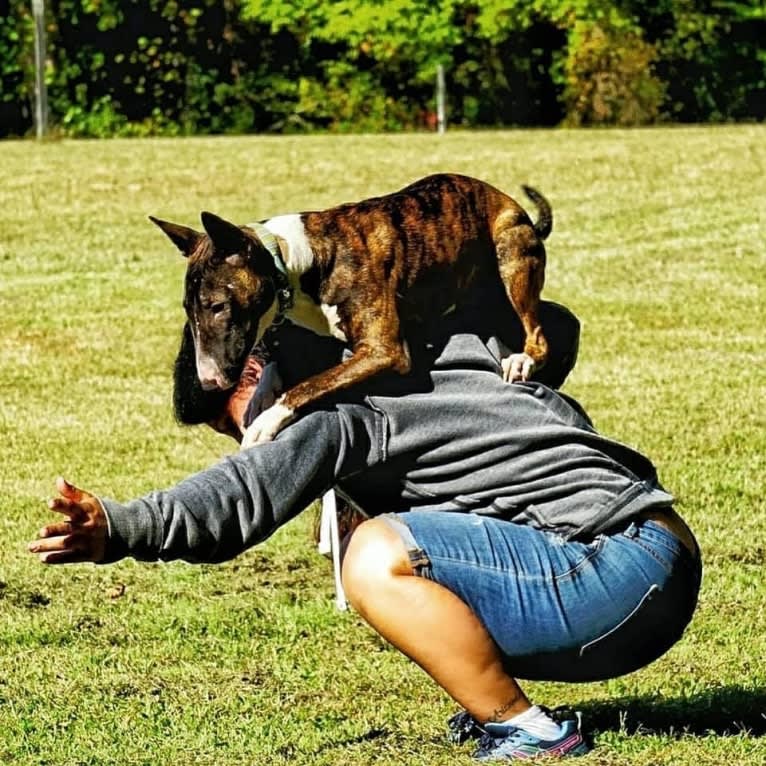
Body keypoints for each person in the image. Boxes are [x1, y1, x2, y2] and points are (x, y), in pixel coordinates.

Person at [28, 301, 701, 761]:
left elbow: (245, 497)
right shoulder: (424, 347)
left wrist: (121, 527)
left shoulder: (338, 408)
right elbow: (555, 324)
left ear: (258, 372)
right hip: (658, 553)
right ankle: (503, 708)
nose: (251, 444)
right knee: (404, 538)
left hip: (614, 571)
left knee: (378, 557)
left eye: (241, 426)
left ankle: (532, 734)